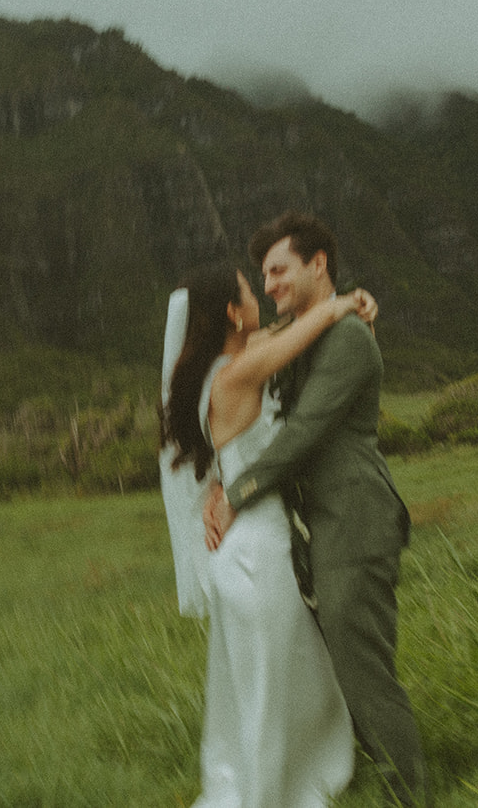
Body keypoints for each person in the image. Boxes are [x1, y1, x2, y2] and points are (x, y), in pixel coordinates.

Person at [205, 211, 429, 806]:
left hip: (355, 519)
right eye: (264, 275)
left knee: (362, 668)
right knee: (336, 664)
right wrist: (214, 477)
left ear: (318, 263)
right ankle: (359, 774)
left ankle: (411, 794)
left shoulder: (350, 337)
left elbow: (305, 432)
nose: (271, 283)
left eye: (280, 269)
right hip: (314, 526)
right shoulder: (301, 330)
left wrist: (238, 494)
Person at [159, 263, 378, 807]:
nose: (259, 295)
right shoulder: (240, 371)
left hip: (244, 545)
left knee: (274, 676)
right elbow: (304, 328)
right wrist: (345, 303)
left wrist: (219, 489)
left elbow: (279, 333)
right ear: (234, 312)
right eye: (247, 291)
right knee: (266, 687)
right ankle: (265, 795)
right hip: (255, 551)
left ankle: (286, 775)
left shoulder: (222, 366)